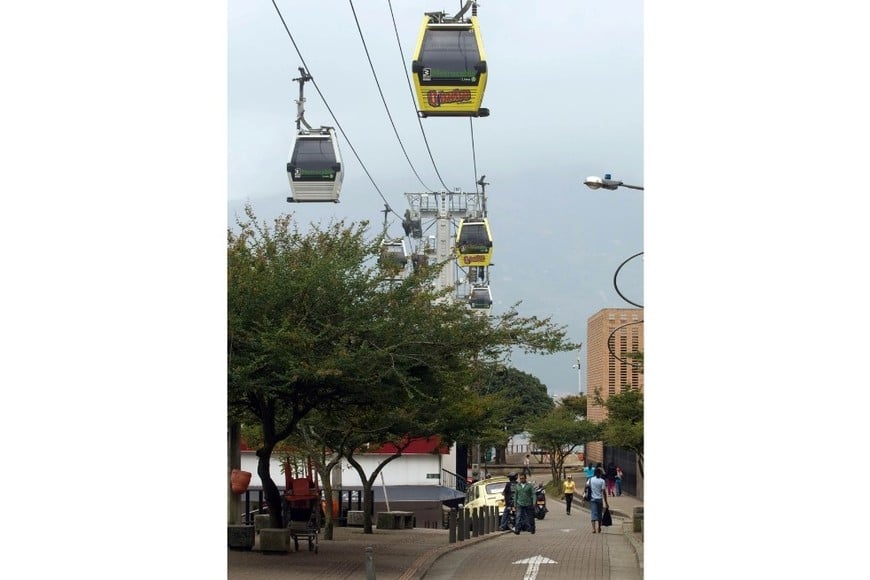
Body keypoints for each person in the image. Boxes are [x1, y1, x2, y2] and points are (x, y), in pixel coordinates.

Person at [589, 467, 609, 533]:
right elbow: (604, 492)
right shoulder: (602, 481)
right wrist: (606, 502)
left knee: (593, 513)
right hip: (599, 499)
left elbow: (586, 487)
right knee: (599, 514)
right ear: (600, 474)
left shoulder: (591, 480)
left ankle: (593, 528)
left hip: (592, 499)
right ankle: (599, 527)